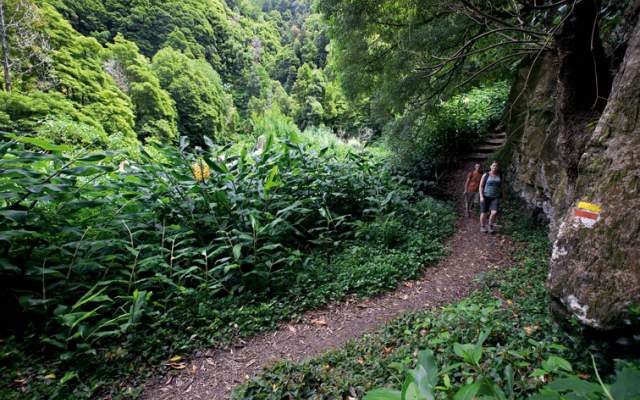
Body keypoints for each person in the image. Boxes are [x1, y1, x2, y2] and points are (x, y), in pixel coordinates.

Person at [479, 160, 503, 233]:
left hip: (495, 197)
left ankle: (490, 226)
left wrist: (503, 195)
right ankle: (482, 226)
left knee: (494, 212)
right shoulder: (486, 175)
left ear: (498, 167)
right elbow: (481, 186)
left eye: (496, 166)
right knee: (484, 213)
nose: (495, 167)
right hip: (485, 196)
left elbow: (501, 186)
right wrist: (481, 196)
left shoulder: (500, 175)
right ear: (490, 167)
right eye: (493, 165)